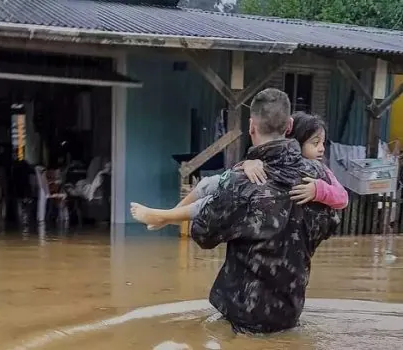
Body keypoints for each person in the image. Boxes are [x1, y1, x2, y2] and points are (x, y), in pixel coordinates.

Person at [190, 88, 340, 334]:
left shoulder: (241, 182)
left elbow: (202, 235)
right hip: (291, 311)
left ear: (251, 127)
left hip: (243, 317)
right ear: (289, 124)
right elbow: (330, 225)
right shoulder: (319, 176)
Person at [130, 111, 348, 229]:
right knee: (209, 184)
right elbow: (240, 174)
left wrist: (318, 190)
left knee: (212, 202)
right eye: (315, 143)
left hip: (276, 217)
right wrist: (248, 163)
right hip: (265, 210)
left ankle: (164, 217)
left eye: (322, 143)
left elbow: (342, 198)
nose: (321, 149)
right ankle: (166, 216)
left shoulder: (320, 172)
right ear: (294, 139)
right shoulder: (271, 159)